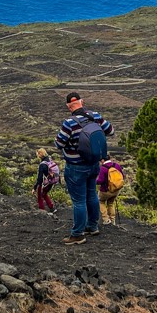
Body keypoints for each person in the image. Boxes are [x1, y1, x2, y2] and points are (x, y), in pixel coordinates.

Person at [55, 92, 114, 245]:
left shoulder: (69, 123)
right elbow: (111, 131)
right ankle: (92, 226)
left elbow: (59, 144)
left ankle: (78, 234)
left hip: (76, 167)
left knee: (79, 201)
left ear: (68, 106)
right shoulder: (95, 116)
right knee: (92, 195)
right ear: (82, 101)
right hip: (94, 164)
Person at [97, 154, 125, 226]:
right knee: (111, 203)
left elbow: (100, 181)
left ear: (103, 160)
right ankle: (112, 221)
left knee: (101, 201)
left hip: (105, 190)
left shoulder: (103, 168)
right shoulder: (116, 165)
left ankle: (106, 219)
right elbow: (122, 176)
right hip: (116, 190)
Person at [33, 147, 58, 215]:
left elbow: (40, 178)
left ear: (40, 154)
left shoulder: (42, 165)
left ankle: (42, 211)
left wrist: (35, 187)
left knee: (39, 196)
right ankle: (52, 208)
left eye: (38, 154)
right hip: (51, 181)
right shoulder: (49, 160)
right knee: (44, 194)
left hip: (45, 182)